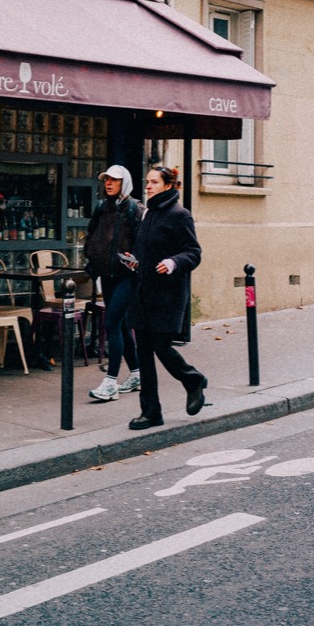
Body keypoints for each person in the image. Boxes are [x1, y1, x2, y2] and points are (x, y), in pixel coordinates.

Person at [125, 165, 207, 430]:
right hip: (142, 293)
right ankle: (150, 412)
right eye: (147, 181)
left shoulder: (179, 215)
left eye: (154, 182)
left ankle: (192, 379)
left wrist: (173, 262)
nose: (148, 186)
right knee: (144, 355)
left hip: (166, 296)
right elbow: (145, 250)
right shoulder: (147, 213)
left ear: (168, 185)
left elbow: (193, 252)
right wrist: (135, 261)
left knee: (161, 347)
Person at [84, 164, 144, 402]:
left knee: (111, 323)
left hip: (127, 276)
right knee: (121, 325)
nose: (108, 183)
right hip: (106, 274)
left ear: (124, 183)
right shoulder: (102, 207)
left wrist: (136, 260)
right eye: (106, 179)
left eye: (114, 180)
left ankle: (110, 383)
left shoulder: (135, 208)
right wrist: (91, 256)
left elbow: (143, 241)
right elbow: (91, 234)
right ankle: (137, 374)